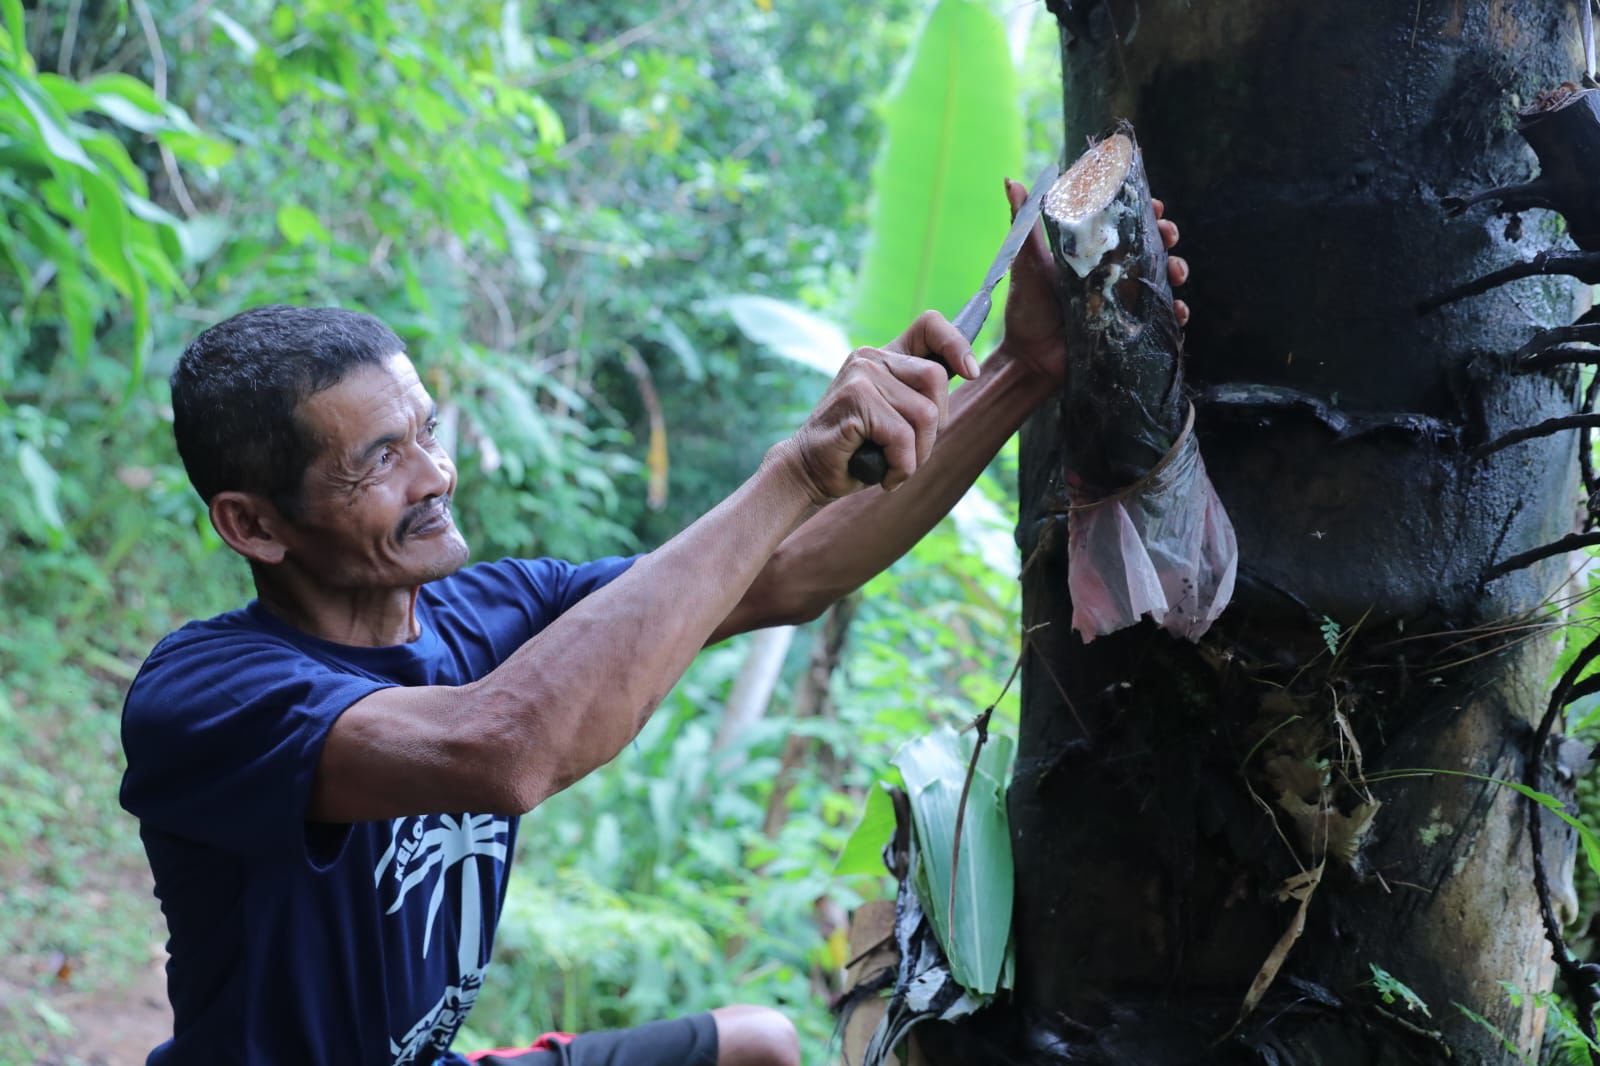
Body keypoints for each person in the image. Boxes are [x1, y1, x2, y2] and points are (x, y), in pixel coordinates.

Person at [118, 182, 1188, 1066]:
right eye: (377, 462)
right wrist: (790, 471)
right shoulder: (208, 695)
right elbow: (503, 749)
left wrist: (1023, 372)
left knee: (760, 1046)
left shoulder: (490, 609)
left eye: (424, 434)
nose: (435, 476)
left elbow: (790, 575)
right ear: (252, 524)